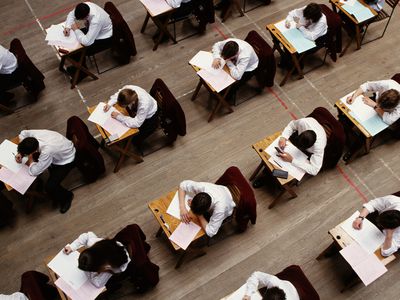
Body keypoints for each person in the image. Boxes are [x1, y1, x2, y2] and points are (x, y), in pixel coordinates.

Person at [15, 130, 76, 213]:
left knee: (50, 187)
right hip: (60, 146)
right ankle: (54, 194)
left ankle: (67, 197)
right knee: (42, 164)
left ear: (32, 152)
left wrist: (31, 161)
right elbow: (22, 133)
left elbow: (34, 171)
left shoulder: (47, 151)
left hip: (66, 159)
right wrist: (20, 153)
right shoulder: (33, 136)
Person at [343, 79, 400, 160]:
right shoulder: (386, 84)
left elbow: (389, 120)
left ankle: (352, 151)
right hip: (376, 100)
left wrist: (375, 106)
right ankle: (344, 129)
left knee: (366, 130)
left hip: (385, 112)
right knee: (353, 109)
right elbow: (366, 86)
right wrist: (354, 96)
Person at [63, 2, 113, 81]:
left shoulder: (96, 20)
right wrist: (67, 27)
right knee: (72, 41)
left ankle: (82, 72)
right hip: (93, 31)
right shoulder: (85, 5)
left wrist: (76, 29)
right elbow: (71, 14)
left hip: (103, 39)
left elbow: (87, 42)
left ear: (86, 16)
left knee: (75, 50)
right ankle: (78, 66)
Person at [64, 231, 131, 288]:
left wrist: (87, 271)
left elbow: (98, 284)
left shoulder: (113, 268)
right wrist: (72, 246)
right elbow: (86, 236)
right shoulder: (93, 242)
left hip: (118, 268)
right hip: (115, 247)